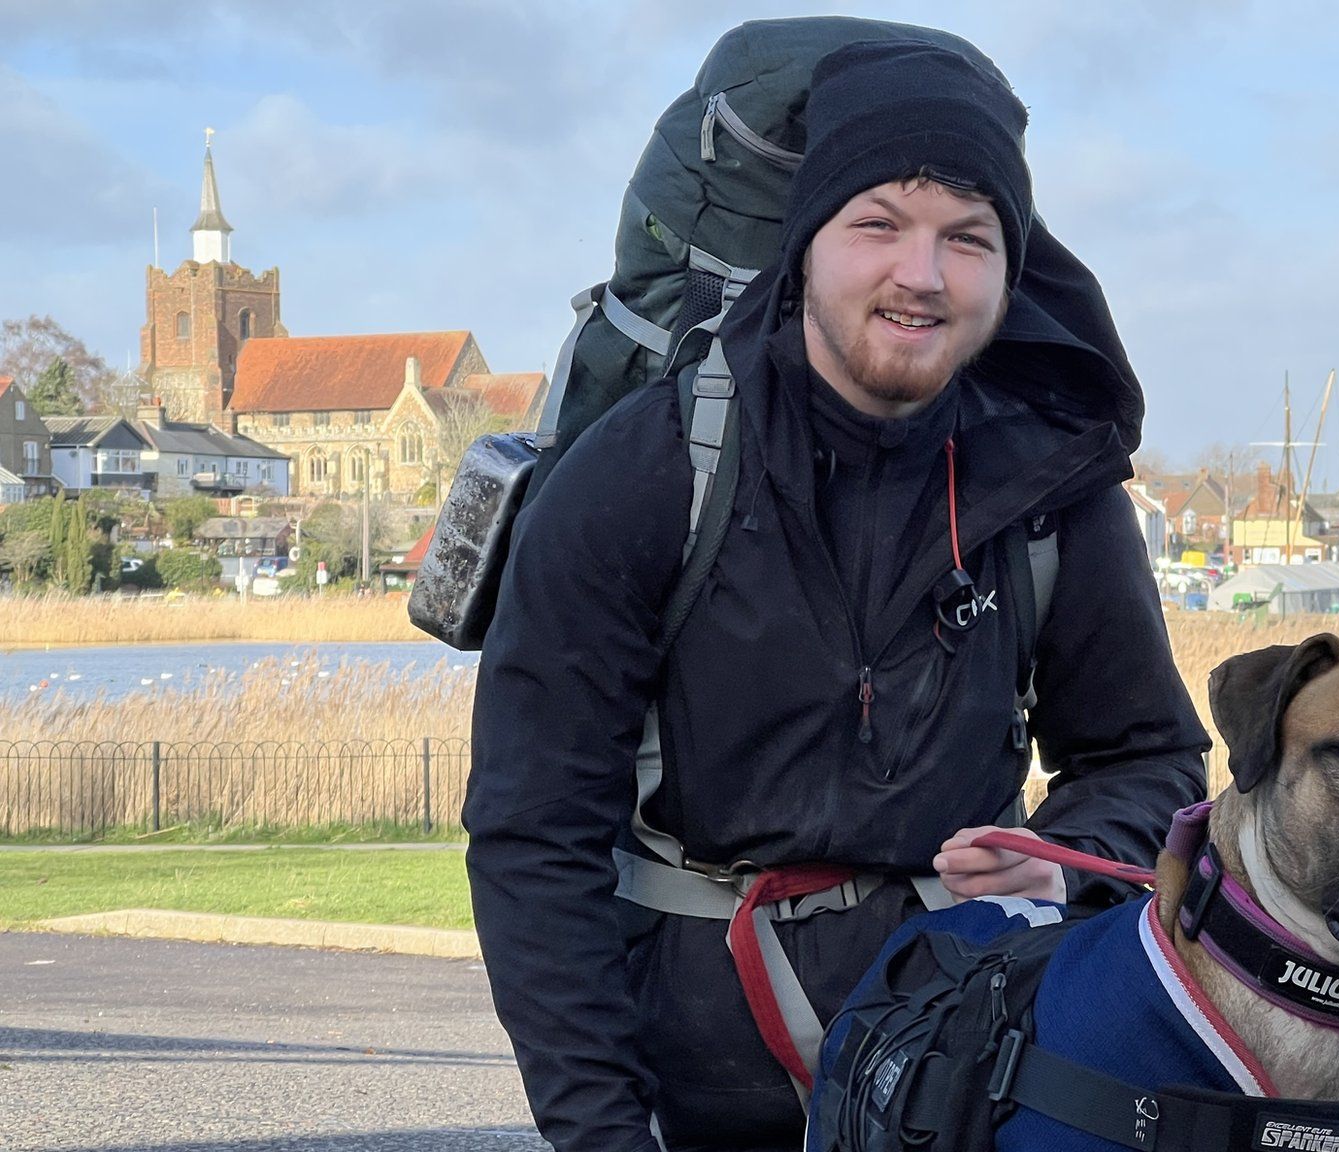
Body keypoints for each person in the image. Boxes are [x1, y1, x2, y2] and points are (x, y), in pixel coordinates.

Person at [466, 40, 1209, 1152]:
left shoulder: (1054, 486)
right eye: (877, 223)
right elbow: (534, 833)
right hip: (697, 1093)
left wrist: (1062, 859)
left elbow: (1146, 761)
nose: (922, 273)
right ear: (803, 246)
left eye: (967, 237)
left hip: (969, 1069)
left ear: (1010, 270)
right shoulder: (646, 473)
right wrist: (602, 1136)